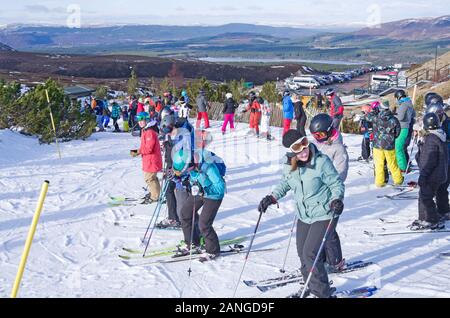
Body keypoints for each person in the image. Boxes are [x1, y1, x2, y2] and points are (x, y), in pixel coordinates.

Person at [258, 129, 345, 298]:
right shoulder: (289, 165)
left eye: (305, 146)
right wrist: (272, 197)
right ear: (292, 152)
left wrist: (336, 199)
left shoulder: (321, 162)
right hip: (304, 214)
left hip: (325, 212)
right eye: (298, 150)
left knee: (310, 254)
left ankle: (322, 293)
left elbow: (336, 184)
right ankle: (310, 285)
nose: (304, 152)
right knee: (302, 253)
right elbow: (286, 183)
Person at [309, 115, 349, 272]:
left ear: (329, 131)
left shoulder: (338, 149)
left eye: (320, 135)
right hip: (316, 194)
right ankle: (322, 259)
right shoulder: (321, 145)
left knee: (329, 231)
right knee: (319, 229)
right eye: (315, 136)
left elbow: (341, 172)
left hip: (331, 195)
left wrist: (331, 190)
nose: (317, 139)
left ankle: (335, 262)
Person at [173, 145, 226, 261]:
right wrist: (182, 180)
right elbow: (193, 177)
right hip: (200, 191)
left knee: (204, 224)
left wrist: (205, 190)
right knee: (185, 213)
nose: (186, 172)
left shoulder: (208, 166)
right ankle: (192, 242)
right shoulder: (190, 165)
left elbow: (221, 187)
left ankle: (213, 251)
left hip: (213, 195)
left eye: (186, 169)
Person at [409, 112, 448, 230]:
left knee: (425, 197)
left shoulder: (431, 139)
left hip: (433, 174)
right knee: (425, 195)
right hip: (439, 173)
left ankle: (431, 219)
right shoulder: (439, 135)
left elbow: (428, 161)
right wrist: (421, 144)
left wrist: (423, 176)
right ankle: (425, 218)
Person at [425, 98, 450, 221]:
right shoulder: (440, 123)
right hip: (441, 157)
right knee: (440, 185)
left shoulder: (447, 123)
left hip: (446, 157)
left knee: (443, 185)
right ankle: (442, 208)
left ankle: (444, 210)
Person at [130, 112, 162, 204]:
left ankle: (155, 197)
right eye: (138, 120)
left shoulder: (149, 132)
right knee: (152, 178)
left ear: (146, 120)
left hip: (152, 160)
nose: (140, 122)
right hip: (149, 159)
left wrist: (137, 152)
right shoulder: (146, 130)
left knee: (149, 178)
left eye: (142, 120)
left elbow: (149, 149)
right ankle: (155, 193)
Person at [370, 101, 403, 187]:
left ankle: (380, 182)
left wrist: (372, 111)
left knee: (379, 164)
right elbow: (398, 132)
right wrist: (392, 138)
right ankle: (398, 180)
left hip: (377, 144)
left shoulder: (376, 118)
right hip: (389, 145)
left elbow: (367, 117)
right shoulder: (394, 119)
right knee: (392, 163)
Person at [393, 89, 414, 172]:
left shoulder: (403, 105)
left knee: (398, 148)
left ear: (398, 96)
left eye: (396, 98)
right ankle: (403, 165)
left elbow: (400, 117)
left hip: (402, 127)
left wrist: (393, 115)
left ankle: (402, 167)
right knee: (400, 147)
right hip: (405, 127)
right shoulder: (408, 103)